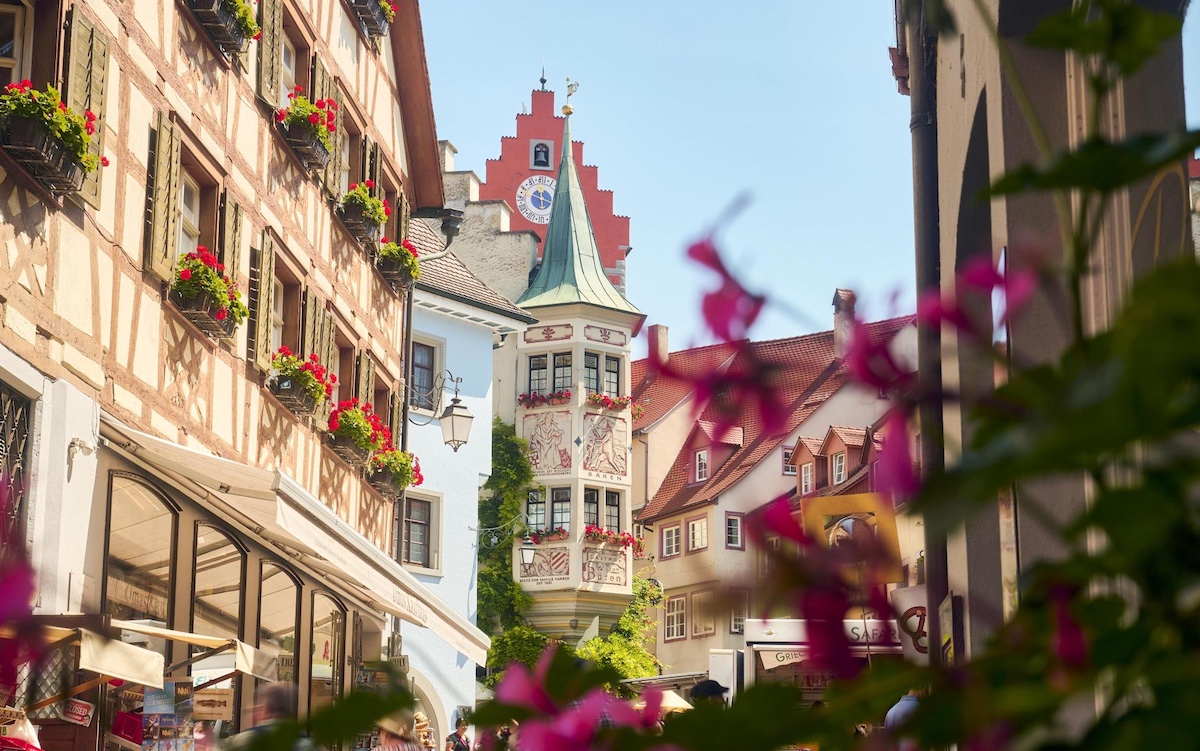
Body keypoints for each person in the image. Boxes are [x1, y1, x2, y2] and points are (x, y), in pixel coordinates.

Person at [222, 683, 315, 751]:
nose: (251, 717)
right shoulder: (307, 745)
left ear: (266, 709)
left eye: (255, 710)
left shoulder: (242, 742)